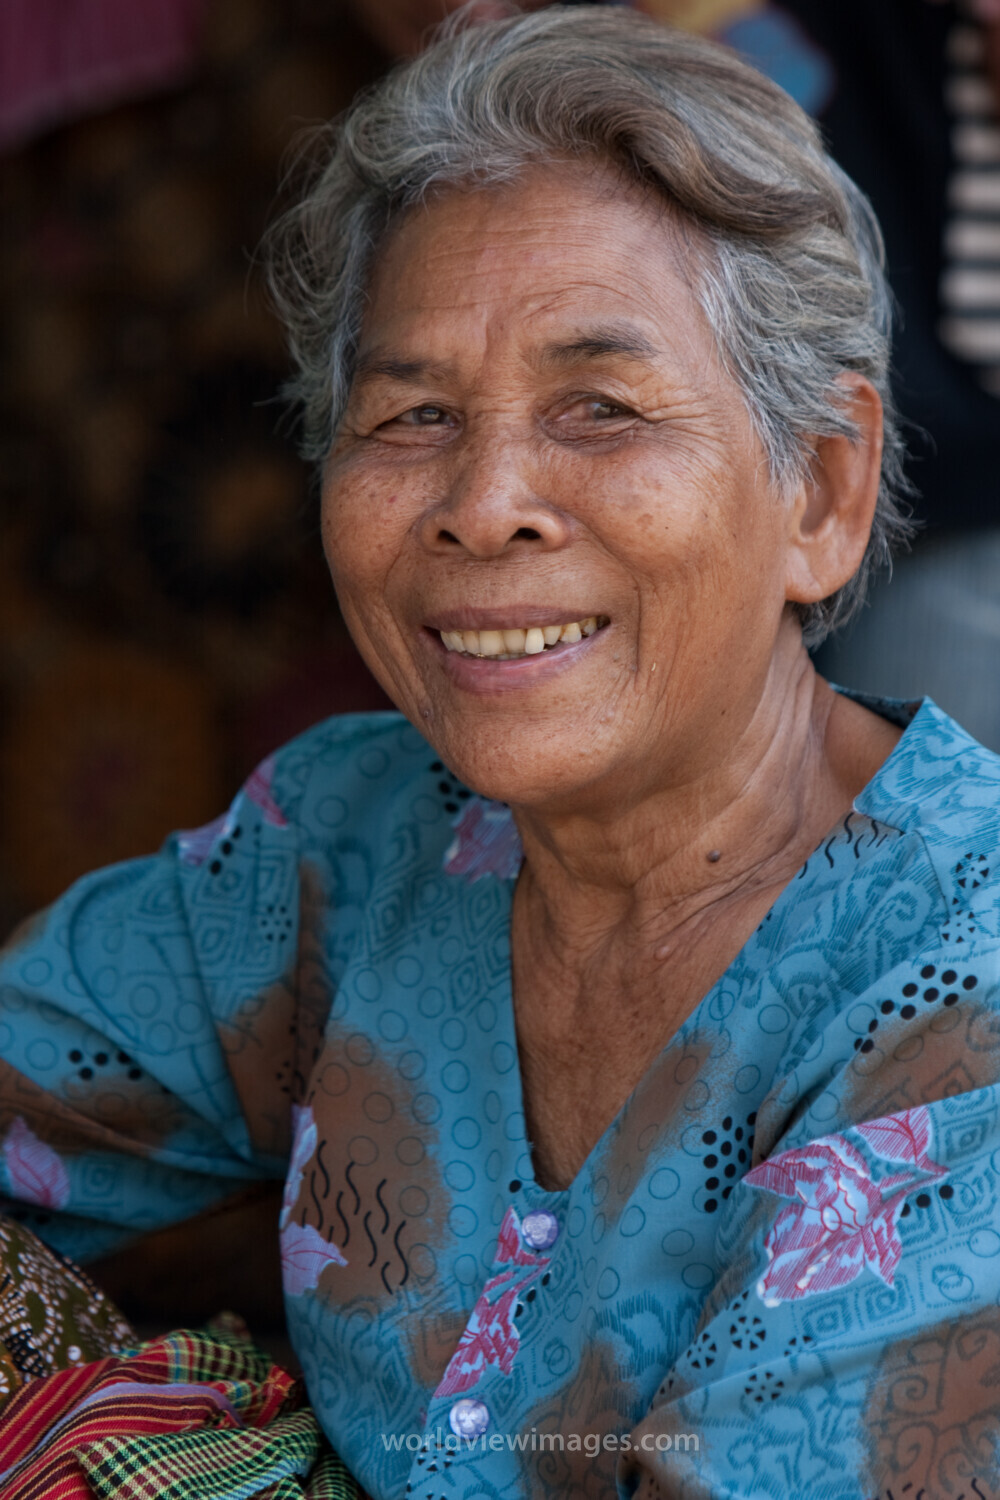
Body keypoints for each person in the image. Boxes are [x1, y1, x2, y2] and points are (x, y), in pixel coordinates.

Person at [2, 7, 1000, 1497]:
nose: (485, 503)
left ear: (821, 491)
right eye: (410, 414)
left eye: (597, 408)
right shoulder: (342, 843)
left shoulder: (958, 1021)